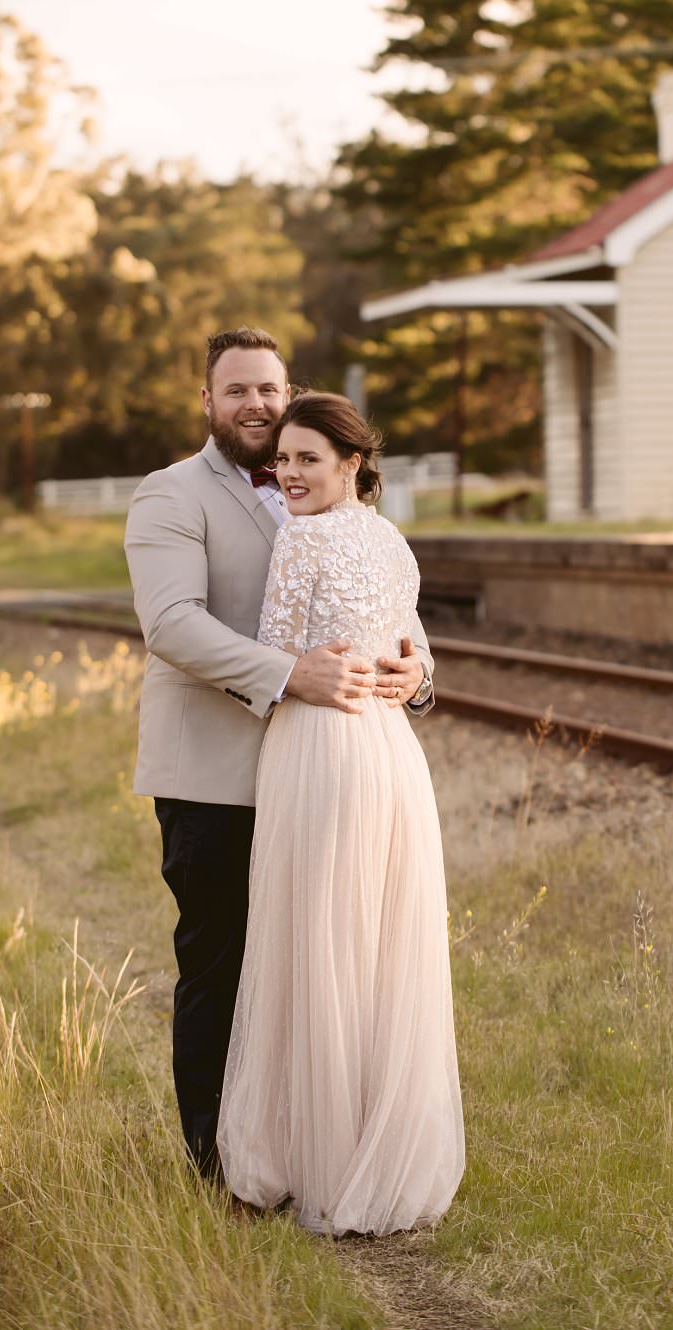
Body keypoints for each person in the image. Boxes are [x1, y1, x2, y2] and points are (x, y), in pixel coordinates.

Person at [124, 328, 435, 1180]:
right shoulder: (170, 496)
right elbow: (173, 625)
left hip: (328, 767)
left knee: (320, 965)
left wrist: (416, 672)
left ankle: (307, 1145)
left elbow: (388, 615)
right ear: (208, 401)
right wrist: (290, 674)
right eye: (237, 391)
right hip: (216, 772)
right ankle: (215, 1161)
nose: (256, 405)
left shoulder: (335, 503)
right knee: (222, 963)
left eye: (269, 388)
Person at [216, 392, 464, 1236]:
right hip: (392, 754)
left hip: (321, 748)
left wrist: (310, 667)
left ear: (352, 463)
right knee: (378, 944)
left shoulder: (303, 537)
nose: (287, 475)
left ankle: (313, 1155)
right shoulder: (391, 540)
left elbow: (278, 650)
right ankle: (375, 1146)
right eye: (281, 461)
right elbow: (412, 652)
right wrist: (412, 680)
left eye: (306, 460)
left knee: (314, 940)